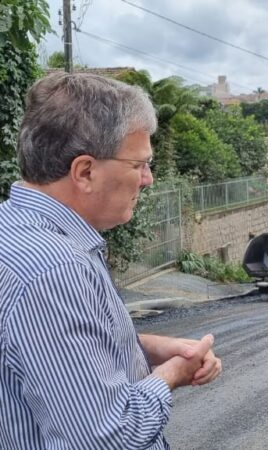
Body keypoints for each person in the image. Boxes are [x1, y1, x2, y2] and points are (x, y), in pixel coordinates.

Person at [0, 72, 222, 448]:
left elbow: (38, 352)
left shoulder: (16, 231)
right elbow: (107, 437)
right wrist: (170, 374)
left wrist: (143, 347)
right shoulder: (55, 270)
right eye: (139, 165)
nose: (148, 180)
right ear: (85, 172)